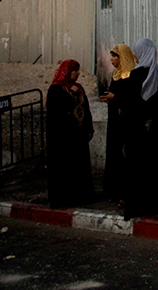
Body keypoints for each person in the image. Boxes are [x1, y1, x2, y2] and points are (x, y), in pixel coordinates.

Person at [121, 38, 158, 219]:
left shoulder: (135, 75)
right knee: (153, 168)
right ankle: (154, 204)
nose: (135, 56)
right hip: (155, 130)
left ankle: (138, 206)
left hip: (137, 131)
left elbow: (128, 106)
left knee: (137, 170)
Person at [46, 59, 95, 208]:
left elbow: (85, 109)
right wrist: (70, 94)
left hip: (79, 136)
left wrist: (88, 128)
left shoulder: (78, 88)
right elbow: (56, 113)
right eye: (75, 70)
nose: (78, 73)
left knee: (79, 168)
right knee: (64, 169)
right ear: (67, 72)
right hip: (63, 138)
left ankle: (82, 197)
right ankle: (64, 199)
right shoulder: (56, 90)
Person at [98, 43, 137, 203]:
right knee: (114, 153)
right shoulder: (116, 74)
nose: (112, 59)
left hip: (126, 121)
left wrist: (115, 97)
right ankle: (113, 191)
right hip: (115, 119)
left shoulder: (132, 76)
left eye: (115, 56)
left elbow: (132, 100)